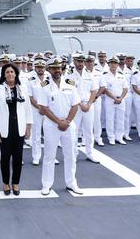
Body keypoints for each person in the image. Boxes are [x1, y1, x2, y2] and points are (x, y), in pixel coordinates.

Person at [37, 58, 82, 196]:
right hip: (51, 125)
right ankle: (47, 184)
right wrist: (58, 121)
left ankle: (71, 182)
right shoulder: (43, 86)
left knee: (70, 155)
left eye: (59, 68)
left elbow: (75, 105)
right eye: (54, 68)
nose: (57, 70)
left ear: (62, 69)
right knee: (49, 156)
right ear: (48, 70)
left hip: (68, 124)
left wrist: (67, 121)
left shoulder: (70, 84)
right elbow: (43, 108)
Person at [0, 62, 32, 195]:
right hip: (4, 127)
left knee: (18, 157)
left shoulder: (23, 88)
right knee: (5, 157)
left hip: (19, 127)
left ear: (16, 74)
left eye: (12, 72)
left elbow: (28, 109)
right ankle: (5, 183)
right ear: (4, 74)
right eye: (7, 72)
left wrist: (28, 126)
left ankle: (15, 183)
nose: (10, 74)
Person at [102, 57, 129, 145]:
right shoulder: (105, 75)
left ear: (117, 64)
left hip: (121, 100)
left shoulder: (121, 75)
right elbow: (105, 89)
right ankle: (111, 137)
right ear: (108, 64)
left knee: (120, 119)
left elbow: (125, 88)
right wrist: (114, 98)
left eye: (115, 63)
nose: (113, 65)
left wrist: (120, 98)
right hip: (110, 100)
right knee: (110, 119)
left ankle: (119, 137)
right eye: (111, 63)